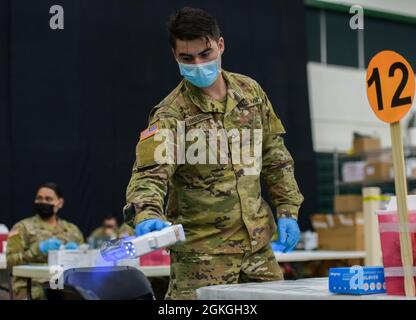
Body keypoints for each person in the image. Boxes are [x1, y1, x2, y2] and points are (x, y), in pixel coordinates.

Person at [124, 7, 304, 299]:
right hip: (202, 255)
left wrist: (288, 210)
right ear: (175, 56)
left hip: (258, 249)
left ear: (220, 46)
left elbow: (275, 157)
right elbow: (150, 172)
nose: (198, 64)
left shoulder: (251, 93)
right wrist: (147, 212)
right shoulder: (171, 113)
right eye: (187, 58)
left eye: (205, 54)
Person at [6, 182, 84, 299]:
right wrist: (37, 250)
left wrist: (77, 253)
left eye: (48, 199)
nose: (43, 202)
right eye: (39, 198)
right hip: (31, 285)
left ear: (60, 203)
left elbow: (85, 263)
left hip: (65, 285)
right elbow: (10, 262)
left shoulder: (72, 230)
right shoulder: (22, 228)